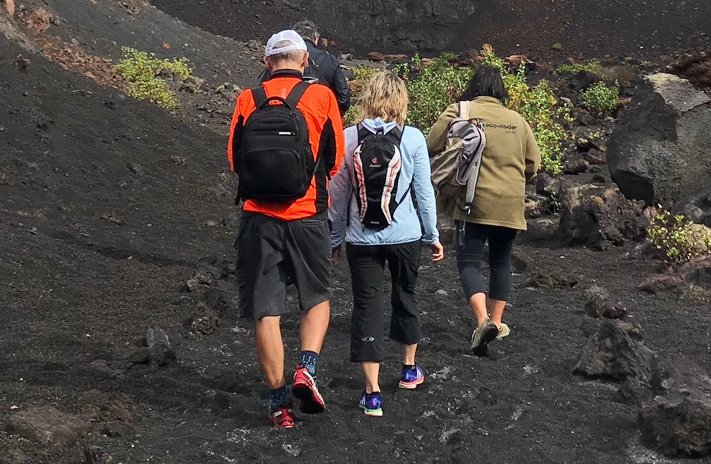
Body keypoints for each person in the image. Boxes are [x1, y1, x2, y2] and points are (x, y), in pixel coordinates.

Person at [227, 29, 345, 429]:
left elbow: (234, 160)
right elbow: (334, 160)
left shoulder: (248, 98)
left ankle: (279, 405)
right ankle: (305, 368)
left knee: (266, 311)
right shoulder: (322, 97)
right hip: (308, 214)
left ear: (266, 62)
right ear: (305, 60)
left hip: (259, 218)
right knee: (316, 298)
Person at [328, 71, 443, 417]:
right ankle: (409, 370)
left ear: (368, 99)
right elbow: (425, 192)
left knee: (366, 305)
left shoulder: (348, 138)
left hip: (361, 239)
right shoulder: (413, 139)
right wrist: (433, 235)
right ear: (401, 101)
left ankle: (372, 393)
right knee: (405, 295)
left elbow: (338, 195)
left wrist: (335, 239)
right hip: (406, 235)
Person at [426, 63, 539, 356]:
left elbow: (431, 143)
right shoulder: (518, 120)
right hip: (511, 205)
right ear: (500, 90)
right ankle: (498, 323)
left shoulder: (460, 110)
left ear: (474, 87)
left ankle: (482, 321)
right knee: (501, 263)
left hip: (473, 203)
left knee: (468, 263)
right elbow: (533, 166)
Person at [291, 18, 351, 114]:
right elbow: (344, 100)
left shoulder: (281, 59)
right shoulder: (329, 60)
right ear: (316, 39)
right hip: (319, 119)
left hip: (288, 120)